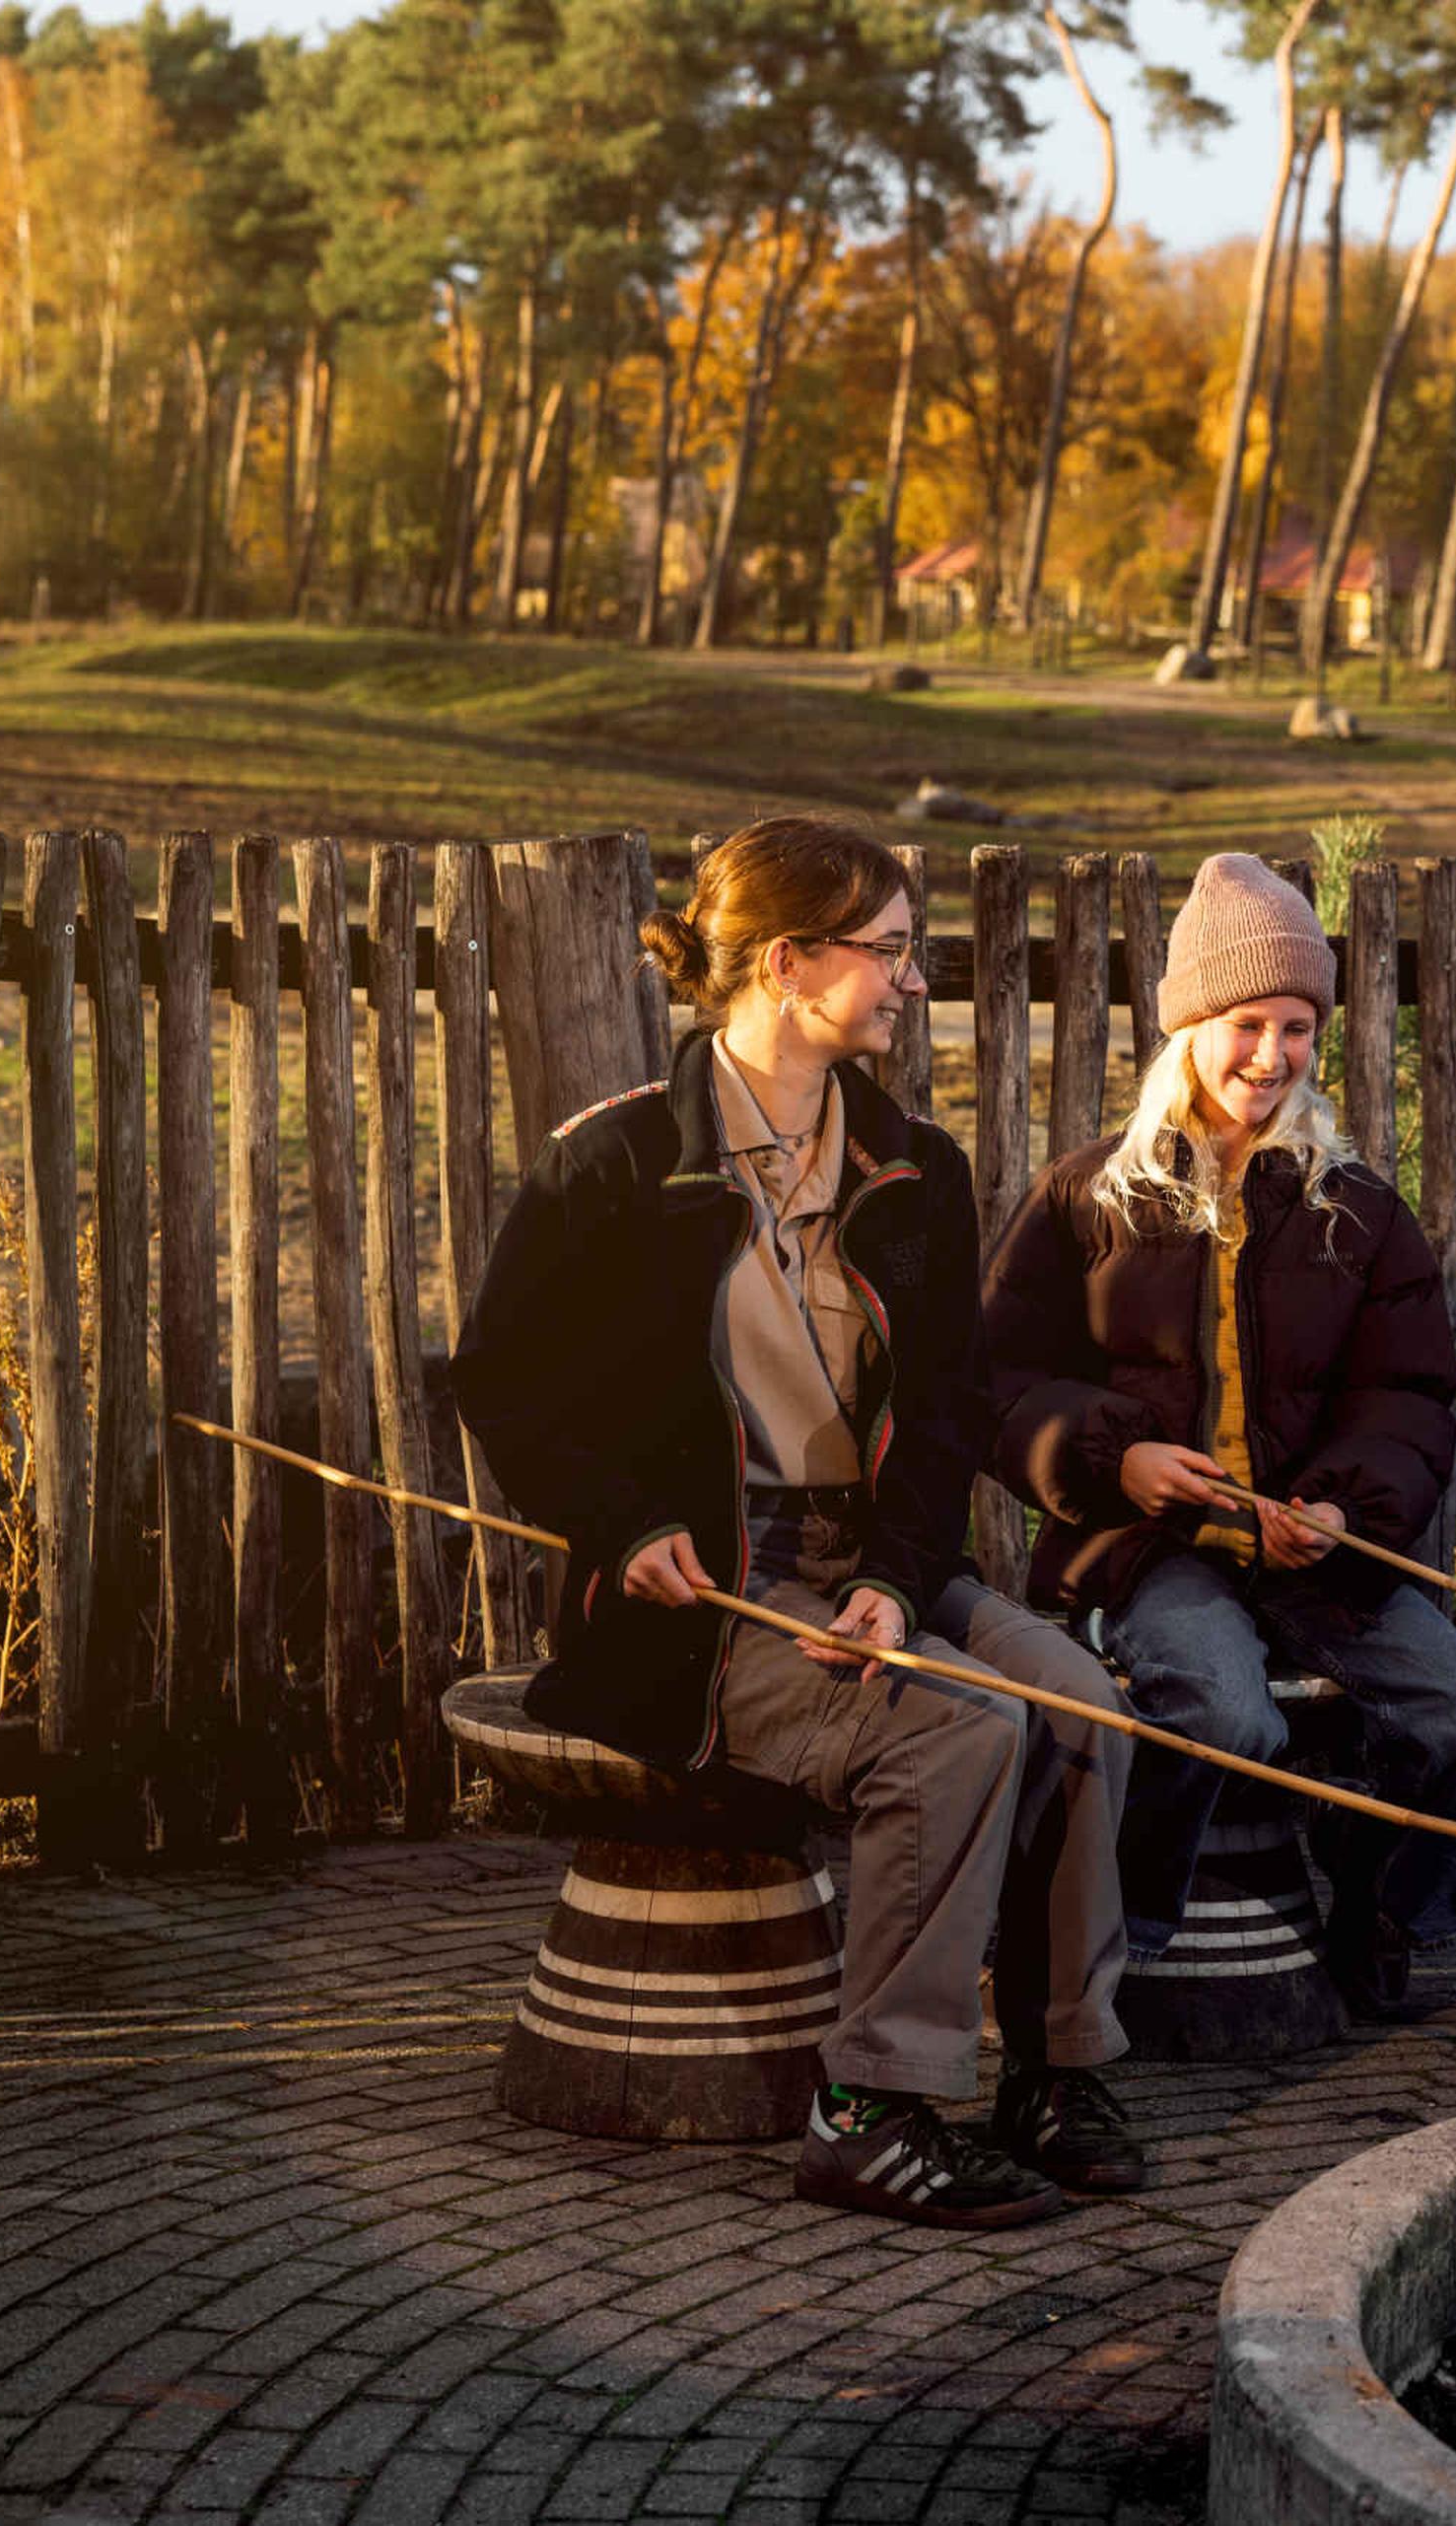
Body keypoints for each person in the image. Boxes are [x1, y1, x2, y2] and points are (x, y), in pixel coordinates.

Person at [452, 814, 1140, 2229]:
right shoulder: (615, 1168)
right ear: (785, 961)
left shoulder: (913, 1169)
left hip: (872, 1565)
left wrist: (895, 1575)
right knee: (958, 1728)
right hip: (701, 1601)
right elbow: (503, 1385)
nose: (910, 981)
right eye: (889, 951)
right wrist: (620, 1520)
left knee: (1075, 1698)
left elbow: (946, 1409)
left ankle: (1057, 2069)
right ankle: (871, 2107)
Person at [978, 851, 1456, 2020]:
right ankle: (1101, 1940)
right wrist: (1110, 1455)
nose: (1270, 1055)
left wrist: (1338, 1509)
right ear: (1189, 1028)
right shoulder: (1091, 1199)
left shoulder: (1360, 1212)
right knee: (1226, 1713)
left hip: (1314, 1546)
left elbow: (1409, 1399)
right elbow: (996, 1380)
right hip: (1150, 1548)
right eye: (1244, 1023)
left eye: (1296, 1026)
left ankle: (1387, 1915)